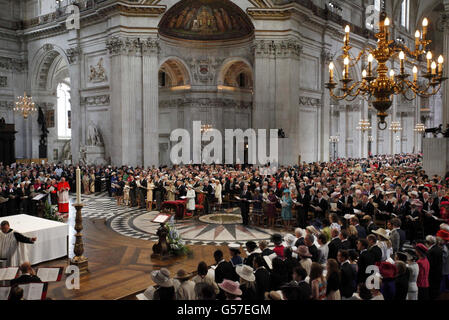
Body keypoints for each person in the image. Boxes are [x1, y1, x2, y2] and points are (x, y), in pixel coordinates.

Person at [425, 235, 443, 300]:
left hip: (432, 274)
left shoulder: (430, 251)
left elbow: (430, 264)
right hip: (439, 272)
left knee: (432, 290)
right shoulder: (439, 248)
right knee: (436, 289)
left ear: (428, 242)